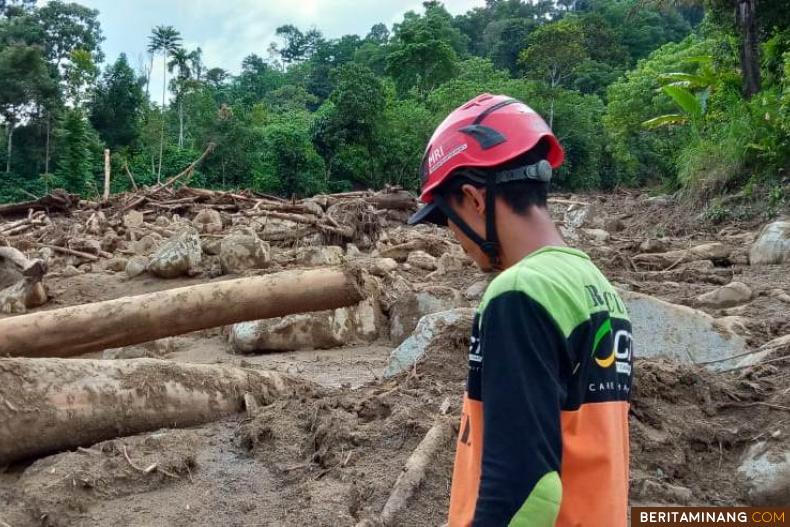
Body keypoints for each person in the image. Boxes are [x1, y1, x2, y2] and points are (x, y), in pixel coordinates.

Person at [408, 93, 633, 527]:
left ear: (474, 199)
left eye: (447, 221)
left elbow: (527, 490)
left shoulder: (518, 294)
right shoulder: (598, 288)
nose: (456, 239)